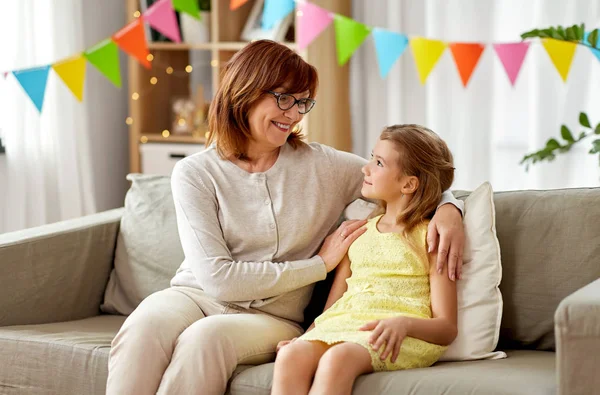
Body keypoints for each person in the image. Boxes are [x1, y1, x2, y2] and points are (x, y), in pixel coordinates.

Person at [106, 41, 464, 395]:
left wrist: (450, 210)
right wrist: (319, 265)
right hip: (194, 295)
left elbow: (409, 179)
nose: (294, 114)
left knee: (205, 339)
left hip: (273, 317)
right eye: (284, 98)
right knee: (143, 327)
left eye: (303, 102)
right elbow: (218, 280)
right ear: (245, 91)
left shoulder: (325, 166)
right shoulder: (195, 173)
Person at [271, 124, 459, 395]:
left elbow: (447, 328)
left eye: (379, 162)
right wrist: (304, 338)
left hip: (399, 334)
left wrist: (403, 324)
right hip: (346, 324)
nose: (366, 168)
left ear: (408, 184)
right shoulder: (358, 232)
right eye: (372, 157)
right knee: (290, 356)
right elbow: (333, 309)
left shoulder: (430, 237)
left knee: (338, 360)